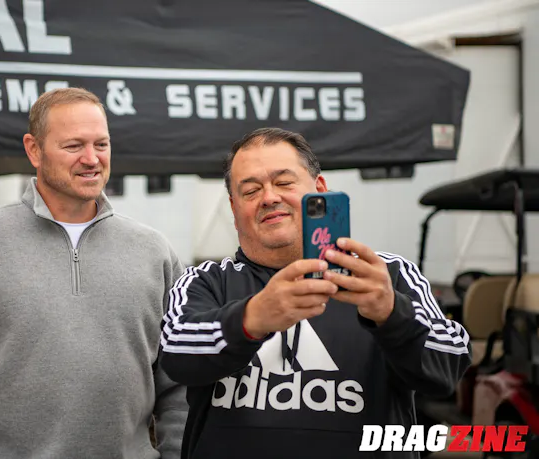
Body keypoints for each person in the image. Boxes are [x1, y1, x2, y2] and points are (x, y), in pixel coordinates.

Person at [0, 87, 187, 459]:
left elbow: (181, 382)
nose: (91, 159)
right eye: (73, 146)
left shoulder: (155, 252)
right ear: (34, 149)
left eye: (101, 144)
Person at [160, 127, 472, 459]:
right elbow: (176, 355)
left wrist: (393, 313)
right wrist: (252, 318)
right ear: (234, 209)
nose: (269, 197)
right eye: (250, 191)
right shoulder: (204, 281)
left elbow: (448, 368)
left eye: (284, 183)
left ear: (319, 189)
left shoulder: (385, 275)